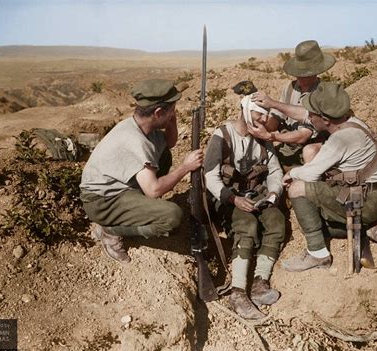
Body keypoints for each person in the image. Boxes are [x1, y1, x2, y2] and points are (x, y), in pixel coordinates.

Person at [80, 79, 203, 263]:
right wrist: (185, 167)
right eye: (171, 110)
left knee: (164, 156)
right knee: (171, 216)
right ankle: (110, 230)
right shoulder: (135, 141)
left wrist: (171, 120)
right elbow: (153, 191)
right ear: (158, 112)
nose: (174, 113)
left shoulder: (143, 126)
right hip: (102, 202)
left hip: (115, 189)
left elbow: (169, 143)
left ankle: (140, 211)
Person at [281, 82, 377, 272]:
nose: (308, 117)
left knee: (297, 188)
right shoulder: (353, 122)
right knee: (317, 220)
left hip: (364, 202)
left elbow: (311, 174)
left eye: (312, 114)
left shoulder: (340, 139)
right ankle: (370, 228)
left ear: (326, 119)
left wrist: (291, 173)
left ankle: (317, 254)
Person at [204, 95, 285, 320]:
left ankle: (260, 283)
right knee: (246, 225)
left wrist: (273, 192)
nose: (264, 118)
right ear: (246, 110)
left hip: (255, 195)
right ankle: (238, 292)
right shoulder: (222, 135)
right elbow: (210, 177)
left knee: (276, 221)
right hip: (227, 198)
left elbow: (275, 171)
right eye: (260, 113)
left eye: (266, 114)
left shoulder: (262, 138)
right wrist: (232, 199)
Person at [249, 40, 336, 167]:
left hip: (313, 148)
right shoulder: (290, 88)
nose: (300, 78)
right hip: (288, 145)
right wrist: (261, 123)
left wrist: (270, 136)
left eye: (306, 74)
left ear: (317, 71)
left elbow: (303, 136)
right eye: (299, 73)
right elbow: (277, 117)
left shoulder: (323, 93)